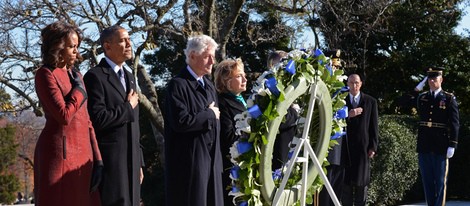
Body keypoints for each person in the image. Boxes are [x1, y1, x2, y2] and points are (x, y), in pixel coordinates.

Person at [34, 21, 102, 206]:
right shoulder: (45, 74)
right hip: (59, 155)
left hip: (84, 156)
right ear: (58, 47)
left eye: (77, 46)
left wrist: (97, 158)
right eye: (72, 46)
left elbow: (87, 121)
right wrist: (79, 91)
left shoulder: (76, 76)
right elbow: (63, 115)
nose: (76, 52)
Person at [83, 25, 144, 206]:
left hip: (132, 161)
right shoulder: (95, 76)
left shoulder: (130, 76)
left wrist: (139, 161)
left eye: (129, 39)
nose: (128, 44)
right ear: (107, 46)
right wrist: (128, 107)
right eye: (122, 40)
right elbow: (98, 119)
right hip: (112, 163)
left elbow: (135, 125)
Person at [163, 34, 223, 206]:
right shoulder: (178, 85)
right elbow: (181, 121)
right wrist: (209, 114)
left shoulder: (209, 86)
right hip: (190, 167)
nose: (212, 61)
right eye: (207, 56)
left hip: (212, 164)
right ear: (192, 56)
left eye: (213, 56)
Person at [416, 67, 459, 206]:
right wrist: (417, 87)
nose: (432, 81)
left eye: (435, 79)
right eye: (429, 79)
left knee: (440, 182)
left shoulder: (448, 98)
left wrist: (452, 144)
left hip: (441, 145)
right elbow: (404, 101)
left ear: (441, 80)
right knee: (427, 181)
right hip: (424, 144)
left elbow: (454, 123)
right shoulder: (422, 97)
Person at [214, 58, 247, 206]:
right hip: (233, 169)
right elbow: (227, 137)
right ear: (226, 81)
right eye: (239, 75)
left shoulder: (245, 101)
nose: (245, 79)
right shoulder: (222, 103)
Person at [341, 73, 378, 206]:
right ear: (347, 84)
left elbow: (374, 126)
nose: (354, 85)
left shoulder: (370, 101)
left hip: (363, 148)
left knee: (361, 183)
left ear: (361, 84)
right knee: (346, 184)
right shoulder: (341, 100)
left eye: (356, 82)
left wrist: (373, 147)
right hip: (345, 147)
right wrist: (348, 115)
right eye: (351, 83)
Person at [319, 49, 345, 206]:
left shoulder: (342, 88)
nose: (334, 70)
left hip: (340, 148)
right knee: (323, 189)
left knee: (336, 187)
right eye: (332, 67)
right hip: (324, 145)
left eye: (336, 68)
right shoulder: (323, 87)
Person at [266, 50, 300, 170]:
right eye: (279, 64)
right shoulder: (268, 86)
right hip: (279, 146)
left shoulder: (294, 84)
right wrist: (295, 112)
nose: (282, 68)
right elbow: (280, 118)